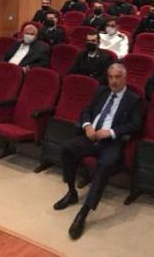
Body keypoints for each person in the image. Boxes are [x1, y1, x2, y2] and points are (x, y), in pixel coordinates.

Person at [53, 63, 143, 240]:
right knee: (66, 148)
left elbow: (135, 125)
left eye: (118, 77)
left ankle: (84, 212)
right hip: (91, 136)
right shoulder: (101, 92)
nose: (114, 81)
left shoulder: (133, 99)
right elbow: (86, 111)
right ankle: (71, 192)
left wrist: (110, 132)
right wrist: (87, 126)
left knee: (105, 165)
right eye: (111, 77)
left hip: (111, 142)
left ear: (125, 78)